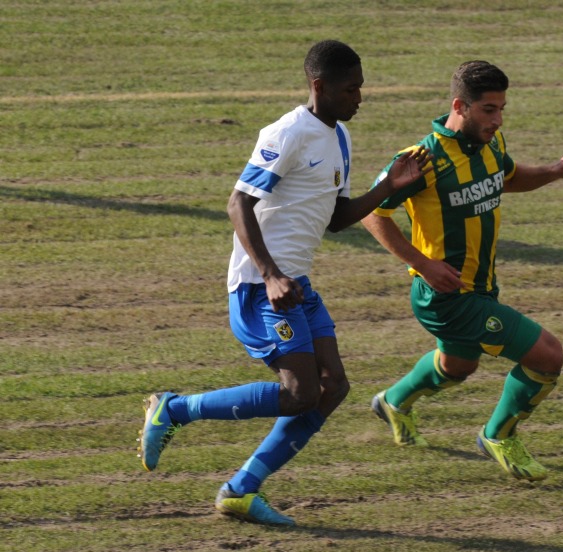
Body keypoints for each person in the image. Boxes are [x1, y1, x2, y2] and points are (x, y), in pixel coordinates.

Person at [136, 40, 433, 525]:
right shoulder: (287, 132)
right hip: (261, 286)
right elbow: (239, 203)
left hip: (296, 284)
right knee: (300, 392)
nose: (360, 98)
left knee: (333, 386)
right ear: (319, 87)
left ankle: (240, 490)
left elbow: (337, 217)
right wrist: (271, 274)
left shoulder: (339, 137)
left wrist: (388, 188)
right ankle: (174, 410)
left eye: (361, 87)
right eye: (350, 89)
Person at [362, 60, 563, 481]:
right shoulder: (420, 159)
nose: (497, 119)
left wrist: (556, 171)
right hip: (446, 296)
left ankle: (393, 402)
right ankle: (497, 435)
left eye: (502, 109)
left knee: (458, 368)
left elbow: (509, 177)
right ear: (459, 106)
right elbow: (374, 213)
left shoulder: (490, 142)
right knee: (547, 356)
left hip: (480, 288)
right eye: (488, 110)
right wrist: (423, 264)